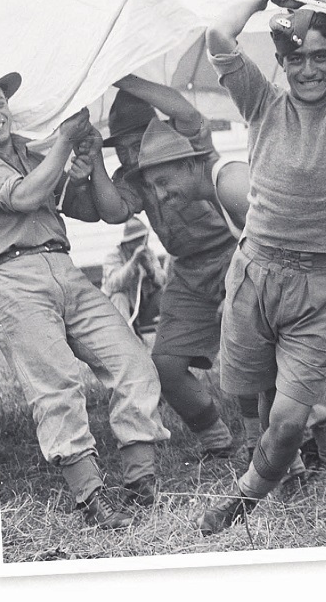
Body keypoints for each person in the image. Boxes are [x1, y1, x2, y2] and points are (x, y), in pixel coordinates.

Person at [194, 0, 326, 535]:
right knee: (256, 392)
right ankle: (287, 473)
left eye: (321, 58)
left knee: (288, 417)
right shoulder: (261, 103)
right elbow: (219, 35)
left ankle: (244, 499)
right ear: (281, 62)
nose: (309, 69)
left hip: (321, 286)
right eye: (296, 58)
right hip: (255, 274)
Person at [0, 65, 168, 530]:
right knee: (55, 384)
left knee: (132, 360)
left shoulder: (29, 151)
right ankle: (90, 496)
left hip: (63, 265)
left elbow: (91, 210)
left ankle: (140, 483)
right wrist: (64, 142)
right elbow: (24, 196)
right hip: (11, 275)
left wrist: (86, 168)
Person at [102, 75, 245, 464]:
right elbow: (114, 211)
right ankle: (217, 440)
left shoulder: (183, 146)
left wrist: (121, 75)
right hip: (185, 269)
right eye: (123, 146)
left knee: (262, 349)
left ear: (156, 129)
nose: (131, 153)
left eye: (138, 140)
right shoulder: (131, 175)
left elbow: (185, 110)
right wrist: (94, 160)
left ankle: (315, 436)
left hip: (235, 254)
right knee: (164, 363)